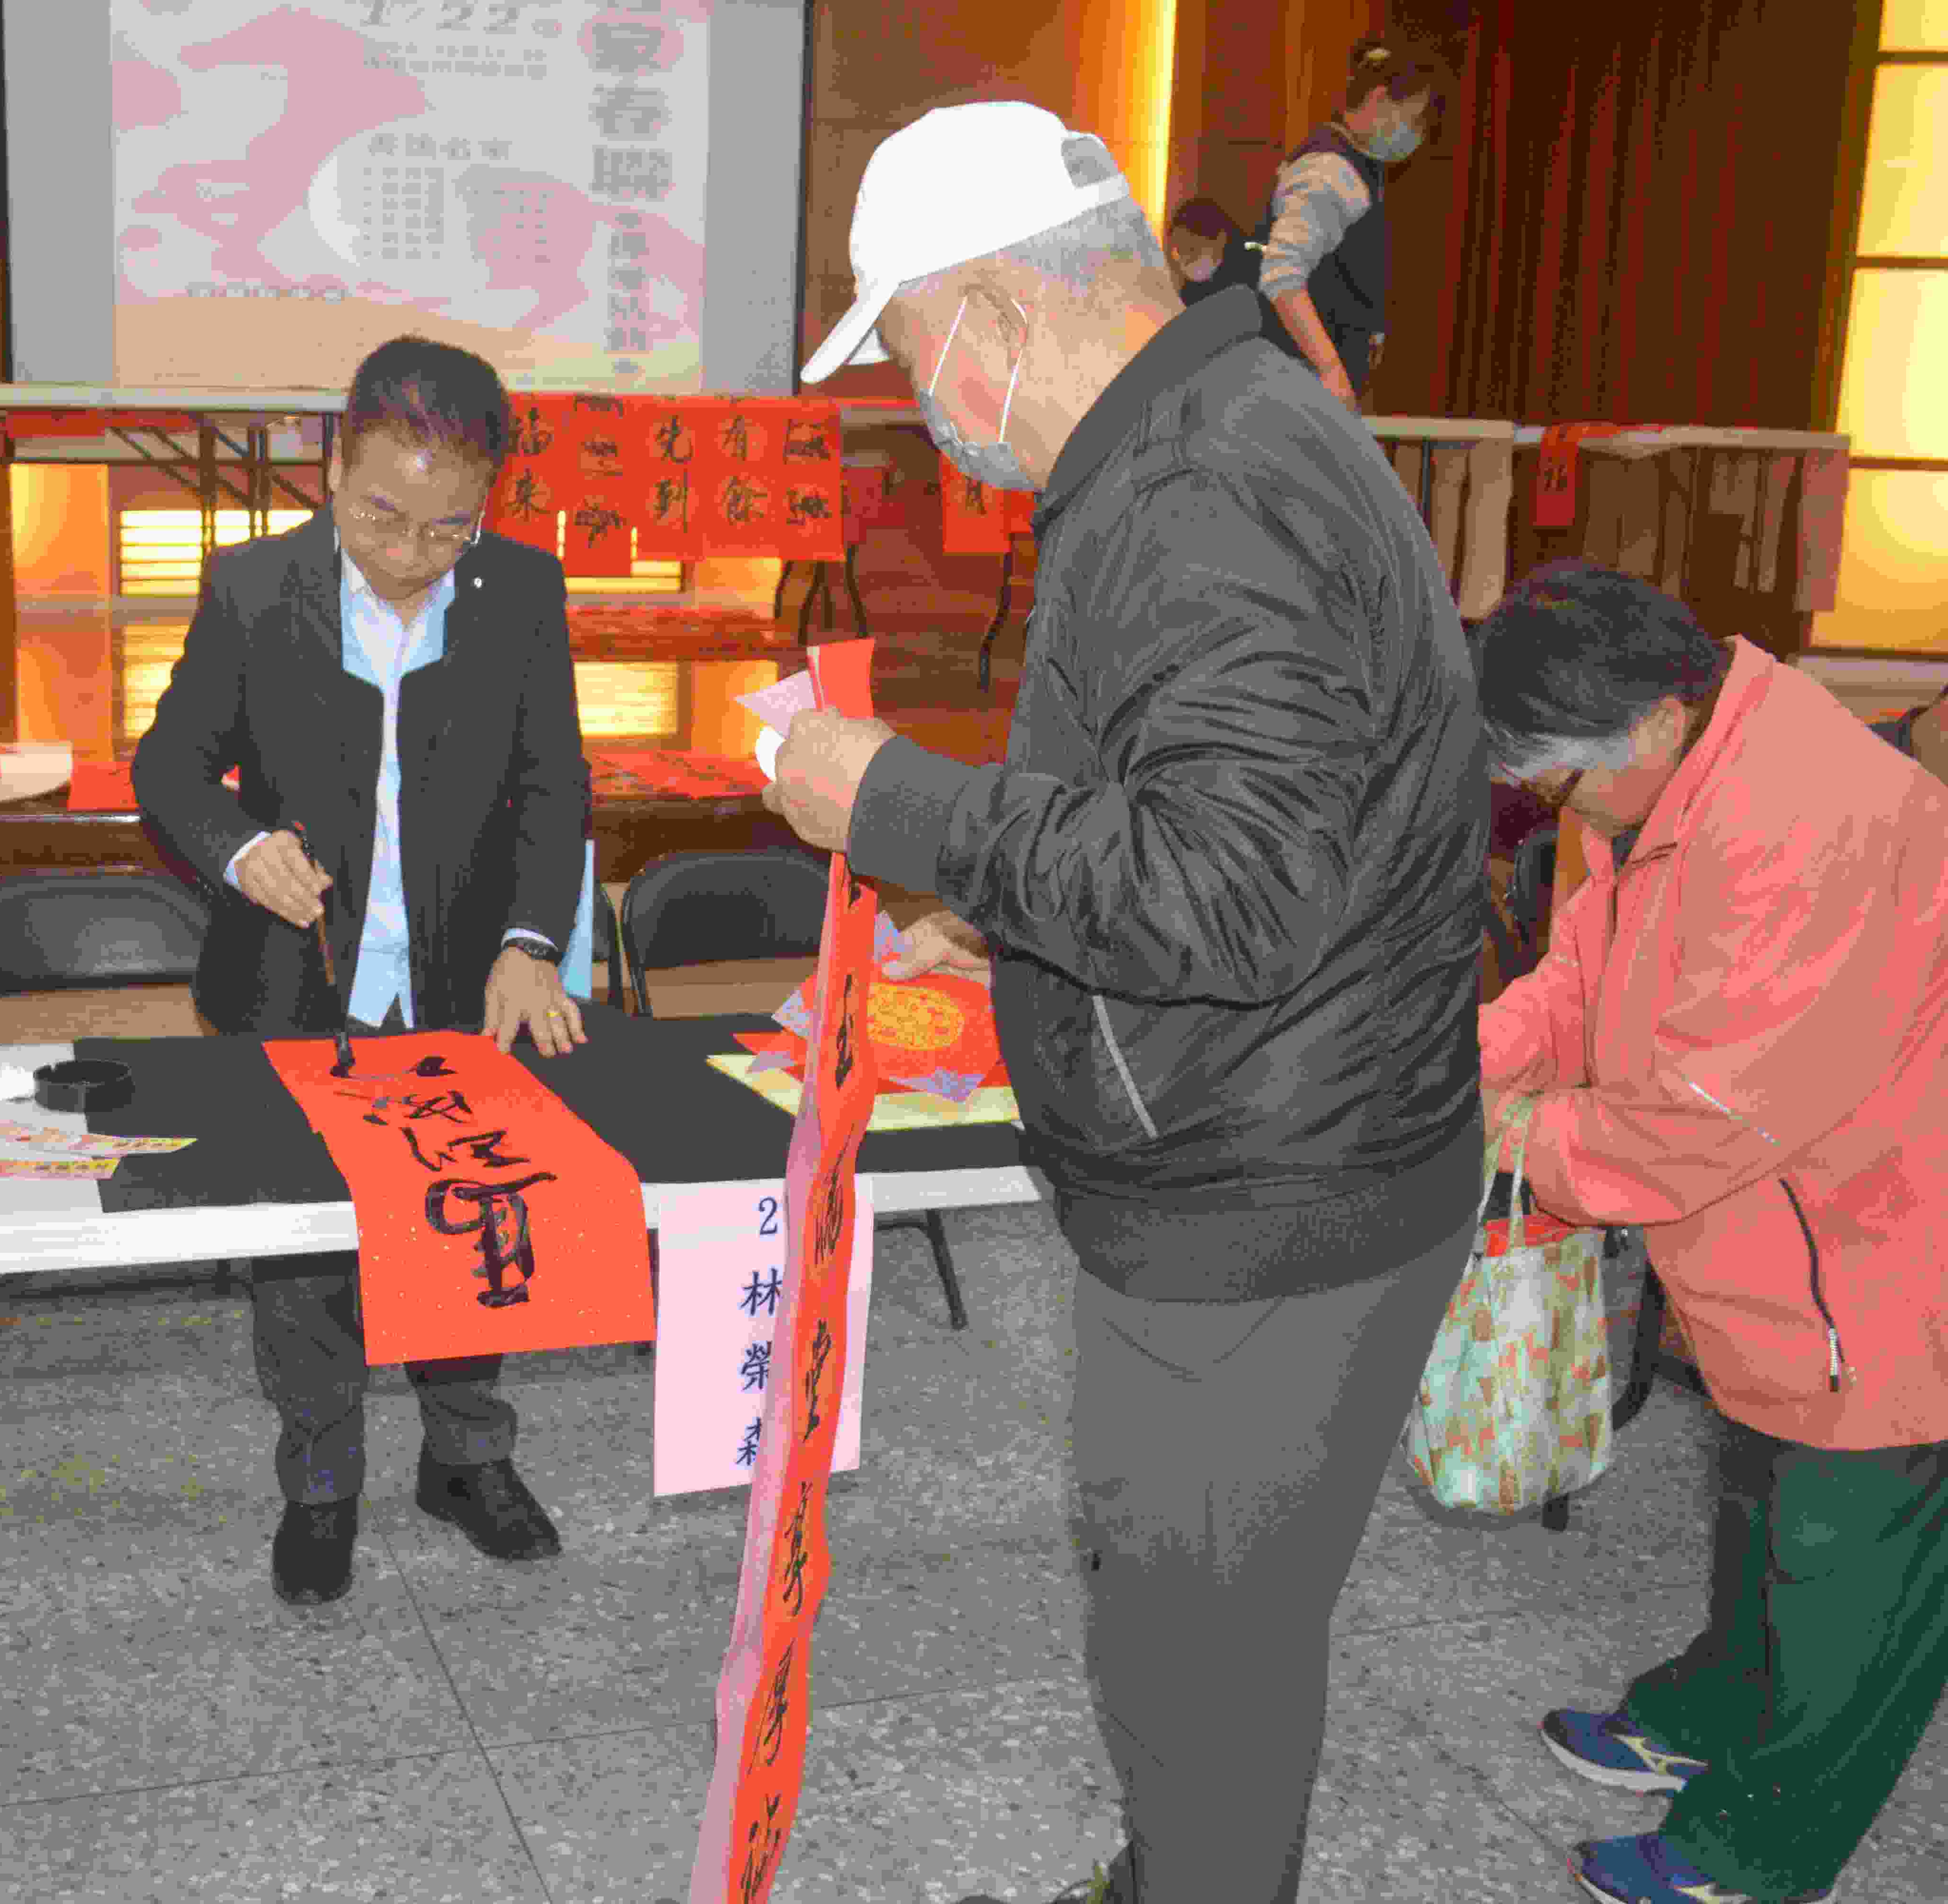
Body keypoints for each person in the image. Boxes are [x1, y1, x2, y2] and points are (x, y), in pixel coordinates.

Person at [776, 100, 1489, 1904]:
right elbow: (1228, 813)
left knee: (1194, 1657)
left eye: (911, 355)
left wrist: (898, 804)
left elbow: (1230, 892)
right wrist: (1007, 921)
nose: (925, 408)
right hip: (1289, 1139)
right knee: (1201, 1633)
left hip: (1262, 1201)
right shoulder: (1213, 428)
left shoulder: (1198, 488)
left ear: (993, 312)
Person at [1473, 563, 1948, 1904]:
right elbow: (1581, 979)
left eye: (1559, 781)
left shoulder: (1806, 825)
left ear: (1654, 721)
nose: (1555, 807)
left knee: (1849, 1559)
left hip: (1880, 1254)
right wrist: (1465, 1066)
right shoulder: (1660, 774)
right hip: (1775, 1247)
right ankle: (1717, 1708)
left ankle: (1762, 1849)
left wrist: (1501, 1137)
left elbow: (1700, 1118)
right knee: (1759, 1506)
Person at [133, 335, 593, 1608]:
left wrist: (531, 943)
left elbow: (555, 786)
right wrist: (240, 852)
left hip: (464, 978)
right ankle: (321, 1482)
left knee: (475, 1214)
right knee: (307, 1255)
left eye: (446, 528)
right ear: (334, 465)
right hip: (298, 980)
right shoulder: (254, 587)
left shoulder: (521, 590)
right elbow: (169, 765)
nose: (406, 556)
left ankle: (467, 1460)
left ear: (487, 502)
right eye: (382, 516)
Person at [1253, 36, 1445, 410]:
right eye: (1415, 120)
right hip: (1296, 383)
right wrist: (1329, 369)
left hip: (1303, 383)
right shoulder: (1332, 171)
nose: (1420, 135)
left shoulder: (1358, 166)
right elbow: (1281, 277)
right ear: (1379, 100)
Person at [1160, 196, 1257, 305]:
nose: (1186, 261)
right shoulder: (1190, 294)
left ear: (1221, 239)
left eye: (1192, 249)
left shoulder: (1256, 275)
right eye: (1179, 253)